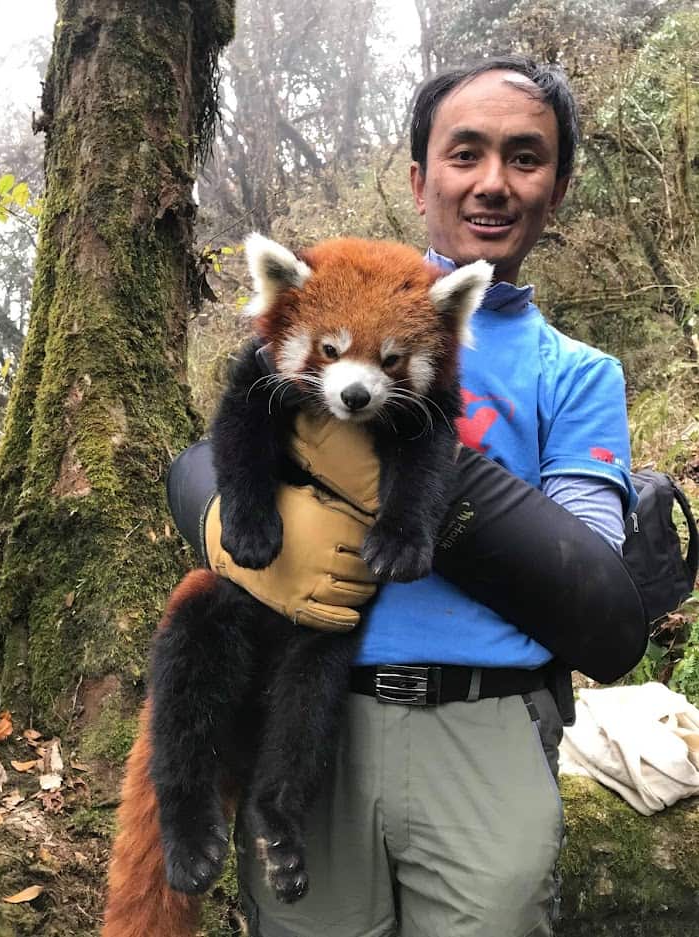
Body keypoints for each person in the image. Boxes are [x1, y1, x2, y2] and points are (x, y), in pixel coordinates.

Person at [180, 56, 642, 936]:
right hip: (308, 707)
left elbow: (589, 579)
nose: (492, 181)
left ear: (557, 188)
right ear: (419, 179)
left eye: (525, 157)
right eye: (465, 153)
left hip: (484, 716)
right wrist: (229, 528)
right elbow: (213, 449)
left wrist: (419, 490)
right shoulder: (331, 293)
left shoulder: (579, 374)